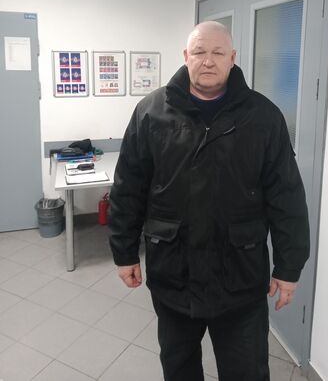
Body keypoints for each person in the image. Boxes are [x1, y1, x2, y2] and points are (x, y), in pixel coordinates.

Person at [108, 21, 310, 381]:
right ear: (186, 56)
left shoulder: (263, 116)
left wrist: (288, 268)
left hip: (240, 279)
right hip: (174, 275)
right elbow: (128, 188)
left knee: (247, 372)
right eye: (200, 52)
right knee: (179, 369)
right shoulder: (151, 112)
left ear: (233, 58)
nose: (208, 60)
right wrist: (124, 253)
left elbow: (287, 197)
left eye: (218, 52)